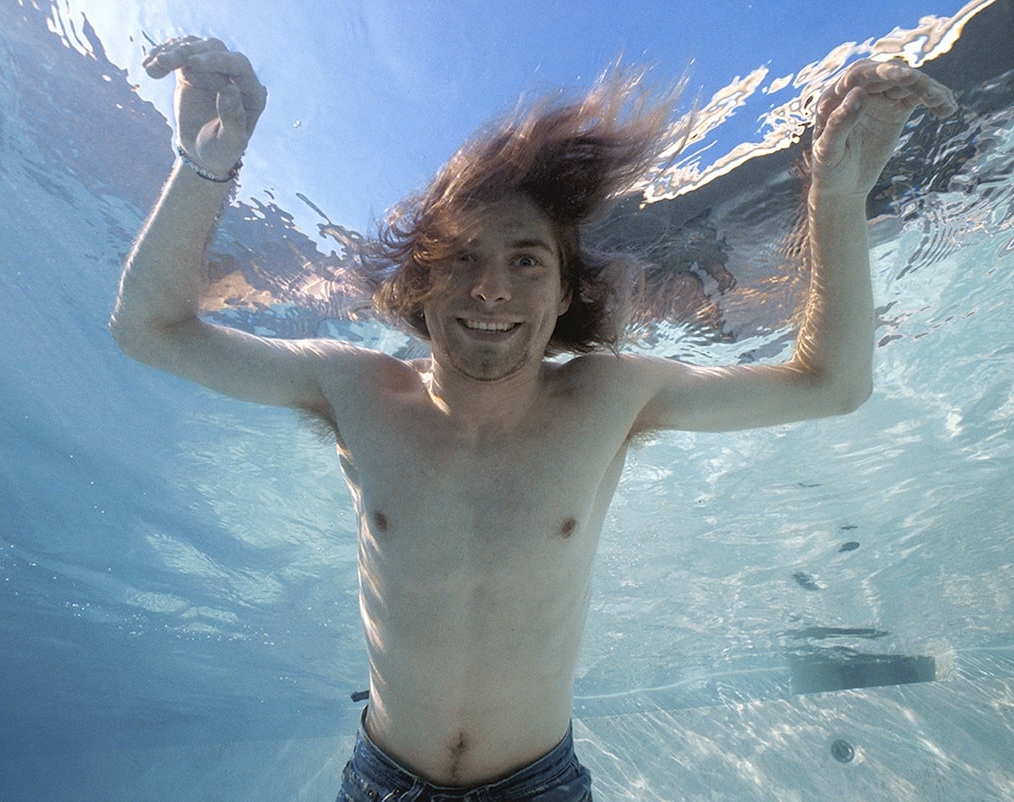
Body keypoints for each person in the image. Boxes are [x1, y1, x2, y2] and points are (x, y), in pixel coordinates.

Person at [111, 36, 956, 801]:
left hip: (539, 786)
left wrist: (836, 194)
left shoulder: (611, 396)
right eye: (462, 257)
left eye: (526, 260)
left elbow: (830, 385)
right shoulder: (354, 389)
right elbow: (149, 330)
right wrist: (204, 164)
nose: (491, 289)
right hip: (382, 781)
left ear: (563, 294)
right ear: (420, 283)